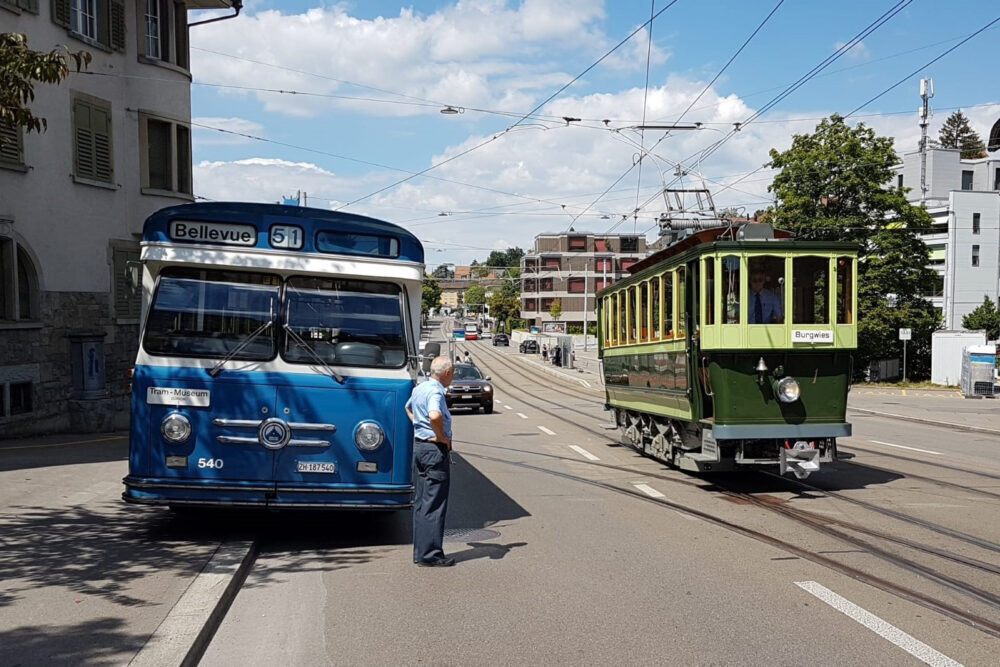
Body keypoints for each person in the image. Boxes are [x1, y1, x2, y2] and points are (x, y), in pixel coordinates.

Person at [405, 356, 456, 567]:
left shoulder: (420, 388)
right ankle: (431, 555)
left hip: (419, 448)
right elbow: (435, 416)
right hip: (434, 450)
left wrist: (420, 426)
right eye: (452, 373)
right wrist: (440, 437)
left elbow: (408, 408)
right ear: (446, 374)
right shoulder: (435, 391)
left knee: (422, 502)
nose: (452, 377)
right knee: (434, 504)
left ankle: (420, 551)